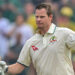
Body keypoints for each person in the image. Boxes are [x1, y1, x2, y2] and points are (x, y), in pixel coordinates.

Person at [0, 3, 75, 75]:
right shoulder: (31, 42)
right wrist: (4, 68)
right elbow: (19, 67)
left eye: (42, 17)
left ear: (50, 17)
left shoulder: (64, 33)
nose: (38, 19)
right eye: (37, 17)